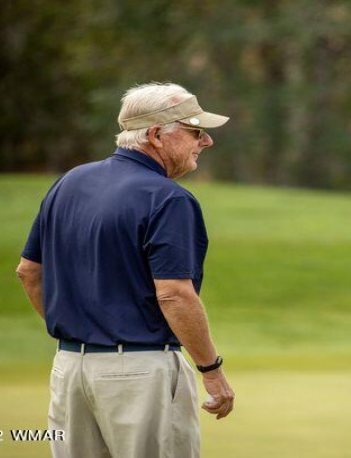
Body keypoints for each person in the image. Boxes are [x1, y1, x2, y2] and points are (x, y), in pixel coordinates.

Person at [15, 83, 235, 457]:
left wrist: (85, 331)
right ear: (155, 136)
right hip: (139, 373)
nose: (206, 142)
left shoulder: (69, 182)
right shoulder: (169, 198)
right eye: (195, 131)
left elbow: (28, 272)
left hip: (69, 368)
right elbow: (174, 293)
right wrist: (211, 370)